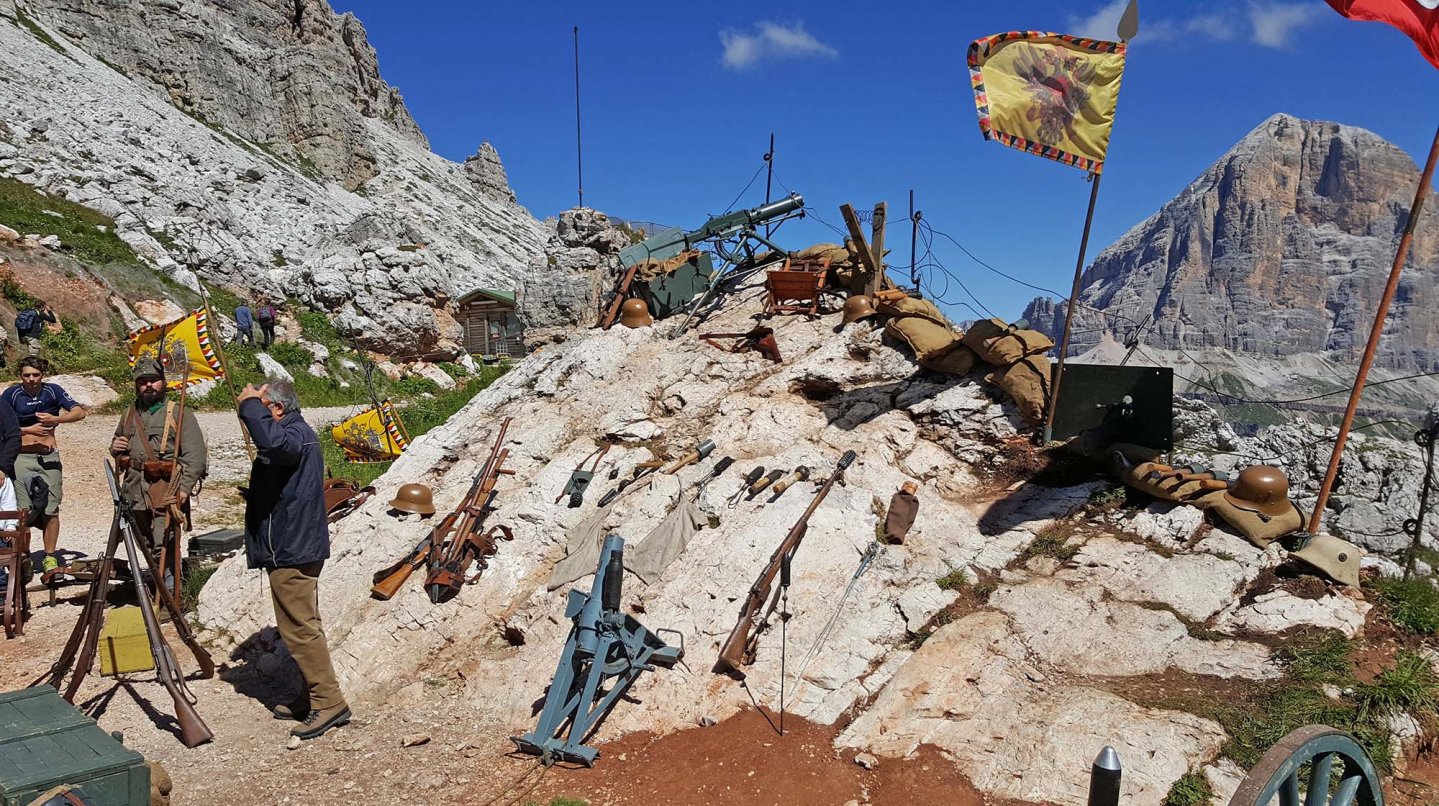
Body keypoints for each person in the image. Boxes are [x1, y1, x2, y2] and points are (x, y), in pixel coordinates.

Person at [236, 378, 349, 740]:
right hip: (291, 545)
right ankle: (311, 694)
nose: (258, 414)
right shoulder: (295, 432)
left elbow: (272, 441)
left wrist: (249, 405)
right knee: (298, 626)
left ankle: (328, 701)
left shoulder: (293, 434)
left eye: (263, 406)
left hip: (292, 548)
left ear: (278, 408)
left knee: (300, 630)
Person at [109, 357, 207, 575]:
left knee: (164, 544)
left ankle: (170, 597)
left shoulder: (179, 413)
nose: (148, 385)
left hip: (165, 490)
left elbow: (196, 455)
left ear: (163, 382)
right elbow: (118, 446)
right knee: (145, 543)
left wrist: (183, 488)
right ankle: (158, 587)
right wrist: (115, 447)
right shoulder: (129, 413)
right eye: (143, 381)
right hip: (134, 491)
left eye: (153, 380)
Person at [1, 357, 86, 574]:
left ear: (43, 374)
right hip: (21, 457)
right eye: (26, 375)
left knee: (51, 508)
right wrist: (29, 430)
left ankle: (49, 556)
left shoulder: (53, 391)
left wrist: (56, 420)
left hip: (49, 457)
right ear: (20, 375)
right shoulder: (12, 395)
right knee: (22, 511)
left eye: (35, 375)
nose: (31, 379)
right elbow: (5, 428)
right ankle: (24, 555)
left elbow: (80, 412)